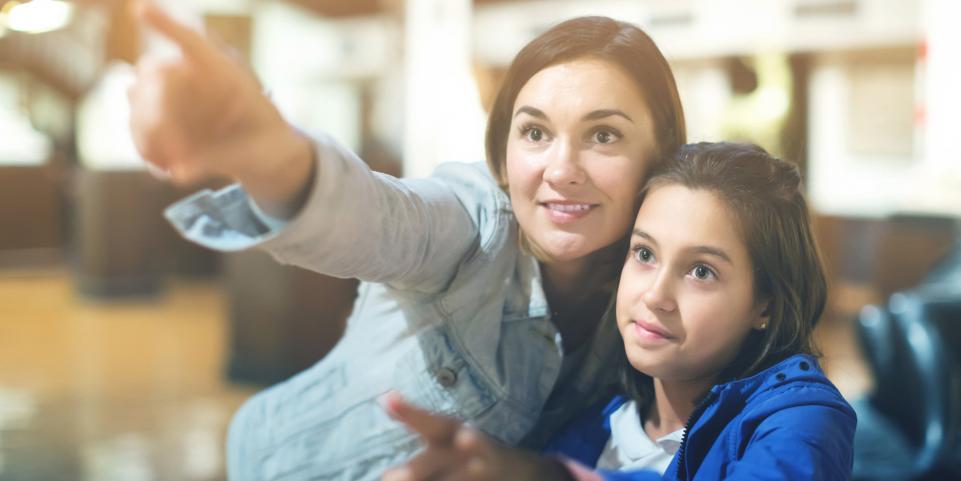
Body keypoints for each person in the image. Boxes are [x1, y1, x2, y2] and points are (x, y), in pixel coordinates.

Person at [127, 5, 686, 480]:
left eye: (603, 135)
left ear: (659, 158)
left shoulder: (654, 297)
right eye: (535, 132)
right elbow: (376, 216)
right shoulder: (472, 226)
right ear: (504, 150)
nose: (561, 170)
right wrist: (268, 153)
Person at [382, 142, 857, 481]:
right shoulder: (594, 422)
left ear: (765, 304)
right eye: (644, 254)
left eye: (701, 271)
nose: (655, 295)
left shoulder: (801, 419)